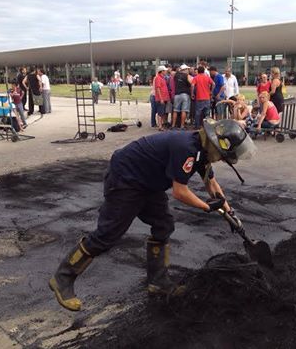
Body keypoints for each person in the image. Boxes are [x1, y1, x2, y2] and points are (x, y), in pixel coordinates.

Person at [49, 118, 257, 311]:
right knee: (107, 235)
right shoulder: (187, 148)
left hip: (148, 183)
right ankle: (63, 278)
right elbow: (180, 191)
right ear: (216, 144)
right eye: (222, 155)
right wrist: (206, 207)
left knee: (164, 225)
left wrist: (230, 212)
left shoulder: (203, 151)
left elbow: (211, 184)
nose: (221, 159)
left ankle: (158, 282)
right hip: (127, 179)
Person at [172, 64, 192, 129]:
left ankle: (173, 125)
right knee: (184, 110)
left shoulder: (176, 75)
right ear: (185, 70)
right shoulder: (187, 76)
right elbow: (191, 84)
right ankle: (182, 126)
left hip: (177, 94)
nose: (188, 70)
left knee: (175, 110)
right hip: (185, 95)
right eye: (187, 69)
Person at [154, 65, 171, 131]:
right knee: (160, 113)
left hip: (164, 98)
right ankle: (160, 126)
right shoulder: (158, 78)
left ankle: (162, 125)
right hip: (161, 99)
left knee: (162, 112)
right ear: (162, 71)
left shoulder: (162, 78)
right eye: (165, 70)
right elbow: (158, 88)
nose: (166, 71)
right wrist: (161, 98)